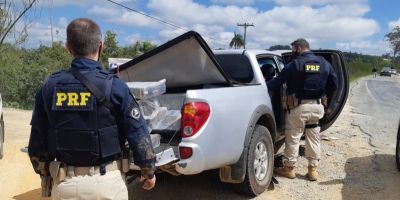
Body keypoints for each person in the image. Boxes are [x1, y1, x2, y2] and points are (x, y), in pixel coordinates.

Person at [28, 18, 156, 199]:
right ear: (101, 46)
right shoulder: (116, 87)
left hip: (65, 185)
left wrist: (45, 173)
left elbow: (37, 144)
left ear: (68, 47)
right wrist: (148, 171)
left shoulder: (49, 87)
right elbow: (139, 134)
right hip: (107, 186)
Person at [267, 38, 338, 181]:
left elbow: (275, 83)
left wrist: (263, 85)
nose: (293, 52)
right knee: (313, 137)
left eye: (293, 49)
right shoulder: (324, 63)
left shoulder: (295, 64)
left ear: (299, 48)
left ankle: (289, 169)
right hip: (317, 107)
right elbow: (334, 83)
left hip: (299, 108)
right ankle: (312, 170)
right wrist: (326, 102)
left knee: (293, 138)